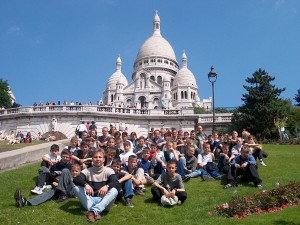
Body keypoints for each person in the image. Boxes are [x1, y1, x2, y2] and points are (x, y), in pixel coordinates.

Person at [72, 149, 119, 222]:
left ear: (103, 159)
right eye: (95, 157)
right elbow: (76, 179)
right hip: (90, 200)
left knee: (114, 190)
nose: (98, 159)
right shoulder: (87, 171)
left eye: (100, 157)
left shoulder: (109, 170)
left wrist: (107, 186)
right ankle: (96, 211)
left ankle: (92, 212)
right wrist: (86, 184)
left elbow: (116, 182)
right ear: (92, 159)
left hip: (104, 200)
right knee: (76, 188)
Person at [14, 164, 81, 207]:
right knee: (48, 194)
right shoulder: (69, 176)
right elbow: (63, 181)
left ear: (80, 172)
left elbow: (76, 188)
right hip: (61, 190)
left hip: (70, 192)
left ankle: (63, 195)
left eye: (76, 171)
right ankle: (25, 202)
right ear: (71, 171)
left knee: (65, 170)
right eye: (73, 171)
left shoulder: (80, 179)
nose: (74, 172)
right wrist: (60, 184)